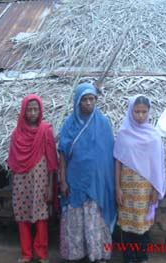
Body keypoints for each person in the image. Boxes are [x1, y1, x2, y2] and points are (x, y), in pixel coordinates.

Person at [58, 83, 116, 263]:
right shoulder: (69, 124)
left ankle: (98, 254)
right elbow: (62, 155)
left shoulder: (104, 123)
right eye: (84, 99)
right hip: (76, 181)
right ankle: (76, 253)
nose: (89, 103)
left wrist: (109, 183)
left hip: (98, 183)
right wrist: (63, 181)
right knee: (75, 219)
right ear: (77, 101)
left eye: (92, 99)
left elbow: (108, 156)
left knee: (96, 219)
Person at [114, 95, 166, 263]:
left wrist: (155, 189)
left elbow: (156, 166)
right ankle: (128, 257)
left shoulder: (154, 136)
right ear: (131, 111)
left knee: (143, 226)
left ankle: (142, 256)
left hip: (145, 189)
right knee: (128, 227)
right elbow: (118, 161)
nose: (141, 116)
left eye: (144, 112)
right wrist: (117, 187)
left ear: (149, 112)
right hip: (127, 187)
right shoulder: (123, 133)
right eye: (137, 112)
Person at [7, 94, 58, 263]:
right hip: (21, 181)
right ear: (24, 111)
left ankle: (41, 253)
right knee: (23, 216)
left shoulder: (46, 130)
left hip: (41, 181)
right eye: (29, 109)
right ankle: (26, 254)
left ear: (40, 110)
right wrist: (13, 185)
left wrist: (50, 186)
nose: (33, 113)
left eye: (36, 109)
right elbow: (13, 162)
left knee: (41, 216)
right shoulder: (16, 134)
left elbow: (51, 161)